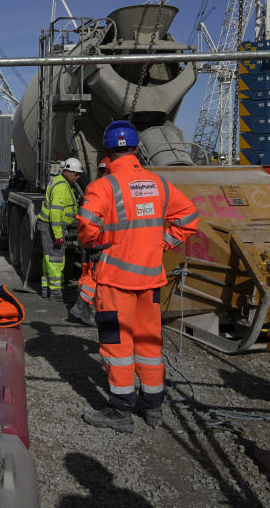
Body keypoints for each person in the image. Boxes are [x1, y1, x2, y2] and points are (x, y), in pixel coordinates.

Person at [76, 120, 199, 433]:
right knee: (148, 344)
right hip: (151, 281)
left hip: (116, 282)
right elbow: (188, 218)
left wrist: (99, 243)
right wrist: (162, 242)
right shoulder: (158, 184)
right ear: (136, 149)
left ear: (107, 151)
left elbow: (87, 228)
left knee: (117, 347)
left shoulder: (104, 186)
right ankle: (154, 407)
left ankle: (121, 411)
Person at [69, 157, 110, 326]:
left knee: (88, 276)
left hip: (91, 241)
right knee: (93, 278)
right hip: (97, 243)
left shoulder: (96, 187)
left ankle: (81, 308)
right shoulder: (106, 189)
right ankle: (85, 310)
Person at [37, 157, 82, 302]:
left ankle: (46, 289)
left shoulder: (59, 181)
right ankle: (55, 293)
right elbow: (55, 213)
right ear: (68, 171)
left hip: (48, 226)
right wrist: (58, 235)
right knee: (55, 260)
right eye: (76, 174)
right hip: (53, 227)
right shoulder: (62, 187)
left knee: (48, 259)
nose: (78, 177)